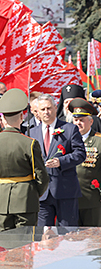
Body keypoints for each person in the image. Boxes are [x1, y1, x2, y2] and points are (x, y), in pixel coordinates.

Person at [0, 89, 49, 231]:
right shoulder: (30, 143)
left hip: (2, 199)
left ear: (3, 118)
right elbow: (42, 176)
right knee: (26, 243)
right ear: (21, 116)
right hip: (27, 199)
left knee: (6, 243)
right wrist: (33, 191)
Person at [31, 90, 86, 227]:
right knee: (44, 237)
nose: (46, 112)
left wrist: (60, 162)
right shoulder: (32, 132)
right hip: (42, 194)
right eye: (42, 109)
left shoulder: (69, 129)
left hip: (65, 190)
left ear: (56, 108)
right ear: (37, 111)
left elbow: (80, 153)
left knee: (68, 235)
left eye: (49, 108)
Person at [68, 97, 101, 225]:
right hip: (68, 200)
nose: (78, 123)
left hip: (91, 200)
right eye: (75, 120)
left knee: (93, 239)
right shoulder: (65, 141)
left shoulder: (98, 141)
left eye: (82, 120)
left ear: (91, 121)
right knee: (70, 239)